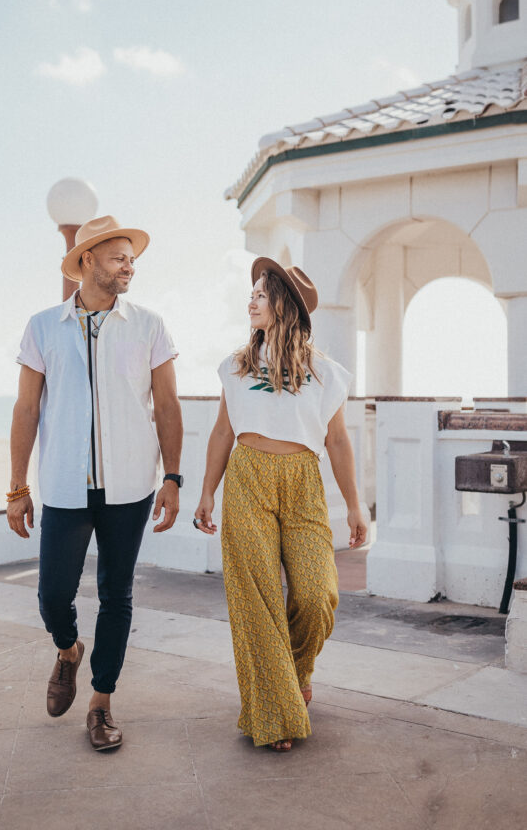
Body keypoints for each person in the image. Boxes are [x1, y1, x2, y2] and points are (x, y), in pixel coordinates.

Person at [7, 215, 183, 751]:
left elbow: (168, 406)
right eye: (118, 257)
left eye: (132, 258)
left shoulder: (150, 325)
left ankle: (101, 703)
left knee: (116, 594)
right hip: (63, 483)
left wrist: (172, 478)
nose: (129, 266)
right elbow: (26, 407)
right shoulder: (42, 326)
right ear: (87, 260)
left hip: (131, 486)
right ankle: (67, 650)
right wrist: (17, 486)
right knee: (53, 593)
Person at [194, 257, 367, 752]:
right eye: (252, 293)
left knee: (317, 595)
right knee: (258, 600)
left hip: (302, 483)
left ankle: (293, 672)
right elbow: (224, 430)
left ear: (285, 306)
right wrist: (207, 490)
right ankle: (273, 712)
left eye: (262, 294)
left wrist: (355, 505)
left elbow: (337, 442)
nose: (251, 300)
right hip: (247, 477)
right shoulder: (236, 365)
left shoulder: (326, 374)